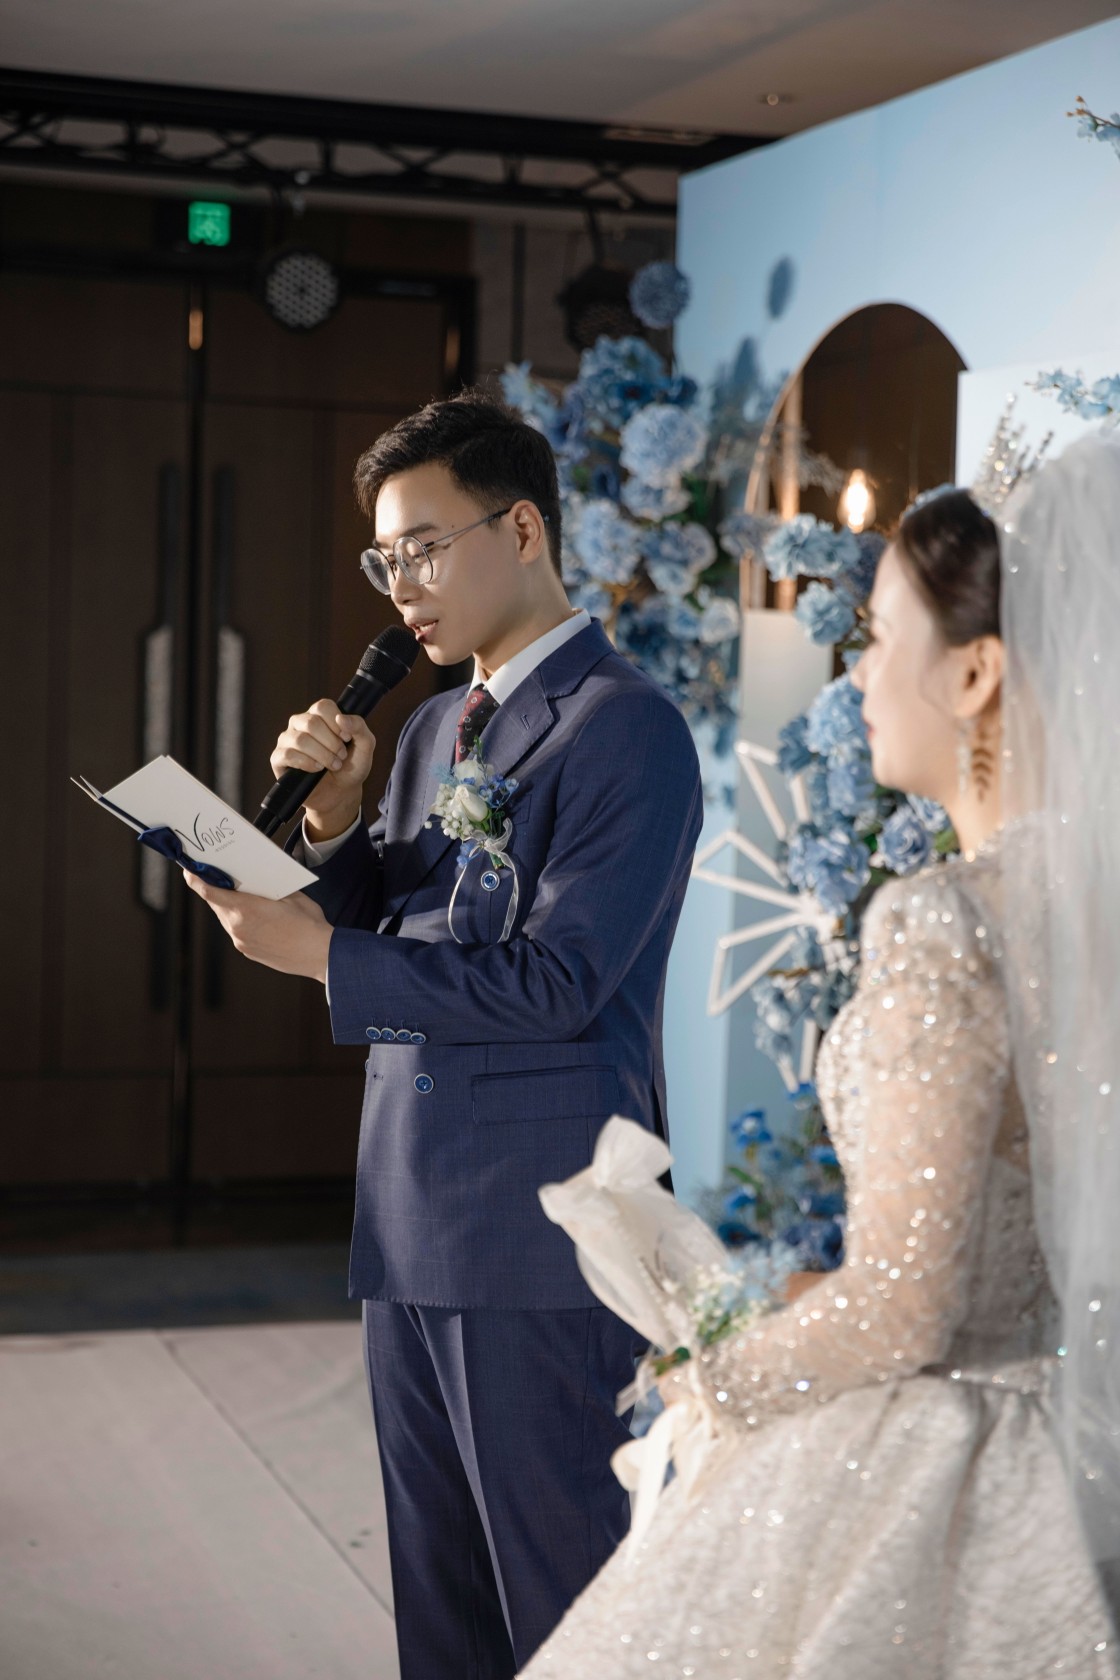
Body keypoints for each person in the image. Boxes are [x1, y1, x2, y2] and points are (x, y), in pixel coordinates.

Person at [522, 433, 1120, 1677]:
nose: (854, 677)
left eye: (879, 637)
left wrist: (716, 1378)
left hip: (966, 1455)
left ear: (975, 673)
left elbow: (905, 1304)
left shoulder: (947, 920)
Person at [185, 391, 704, 1679]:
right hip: (407, 1211)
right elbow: (405, 924)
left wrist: (321, 955)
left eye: (422, 547)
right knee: (441, 1605)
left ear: (521, 529)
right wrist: (332, 824)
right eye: (385, 560)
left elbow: (559, 982)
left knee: (564, 1605)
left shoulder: (624, 724)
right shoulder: (425, 729)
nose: (401, 585)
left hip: (537, 1228)